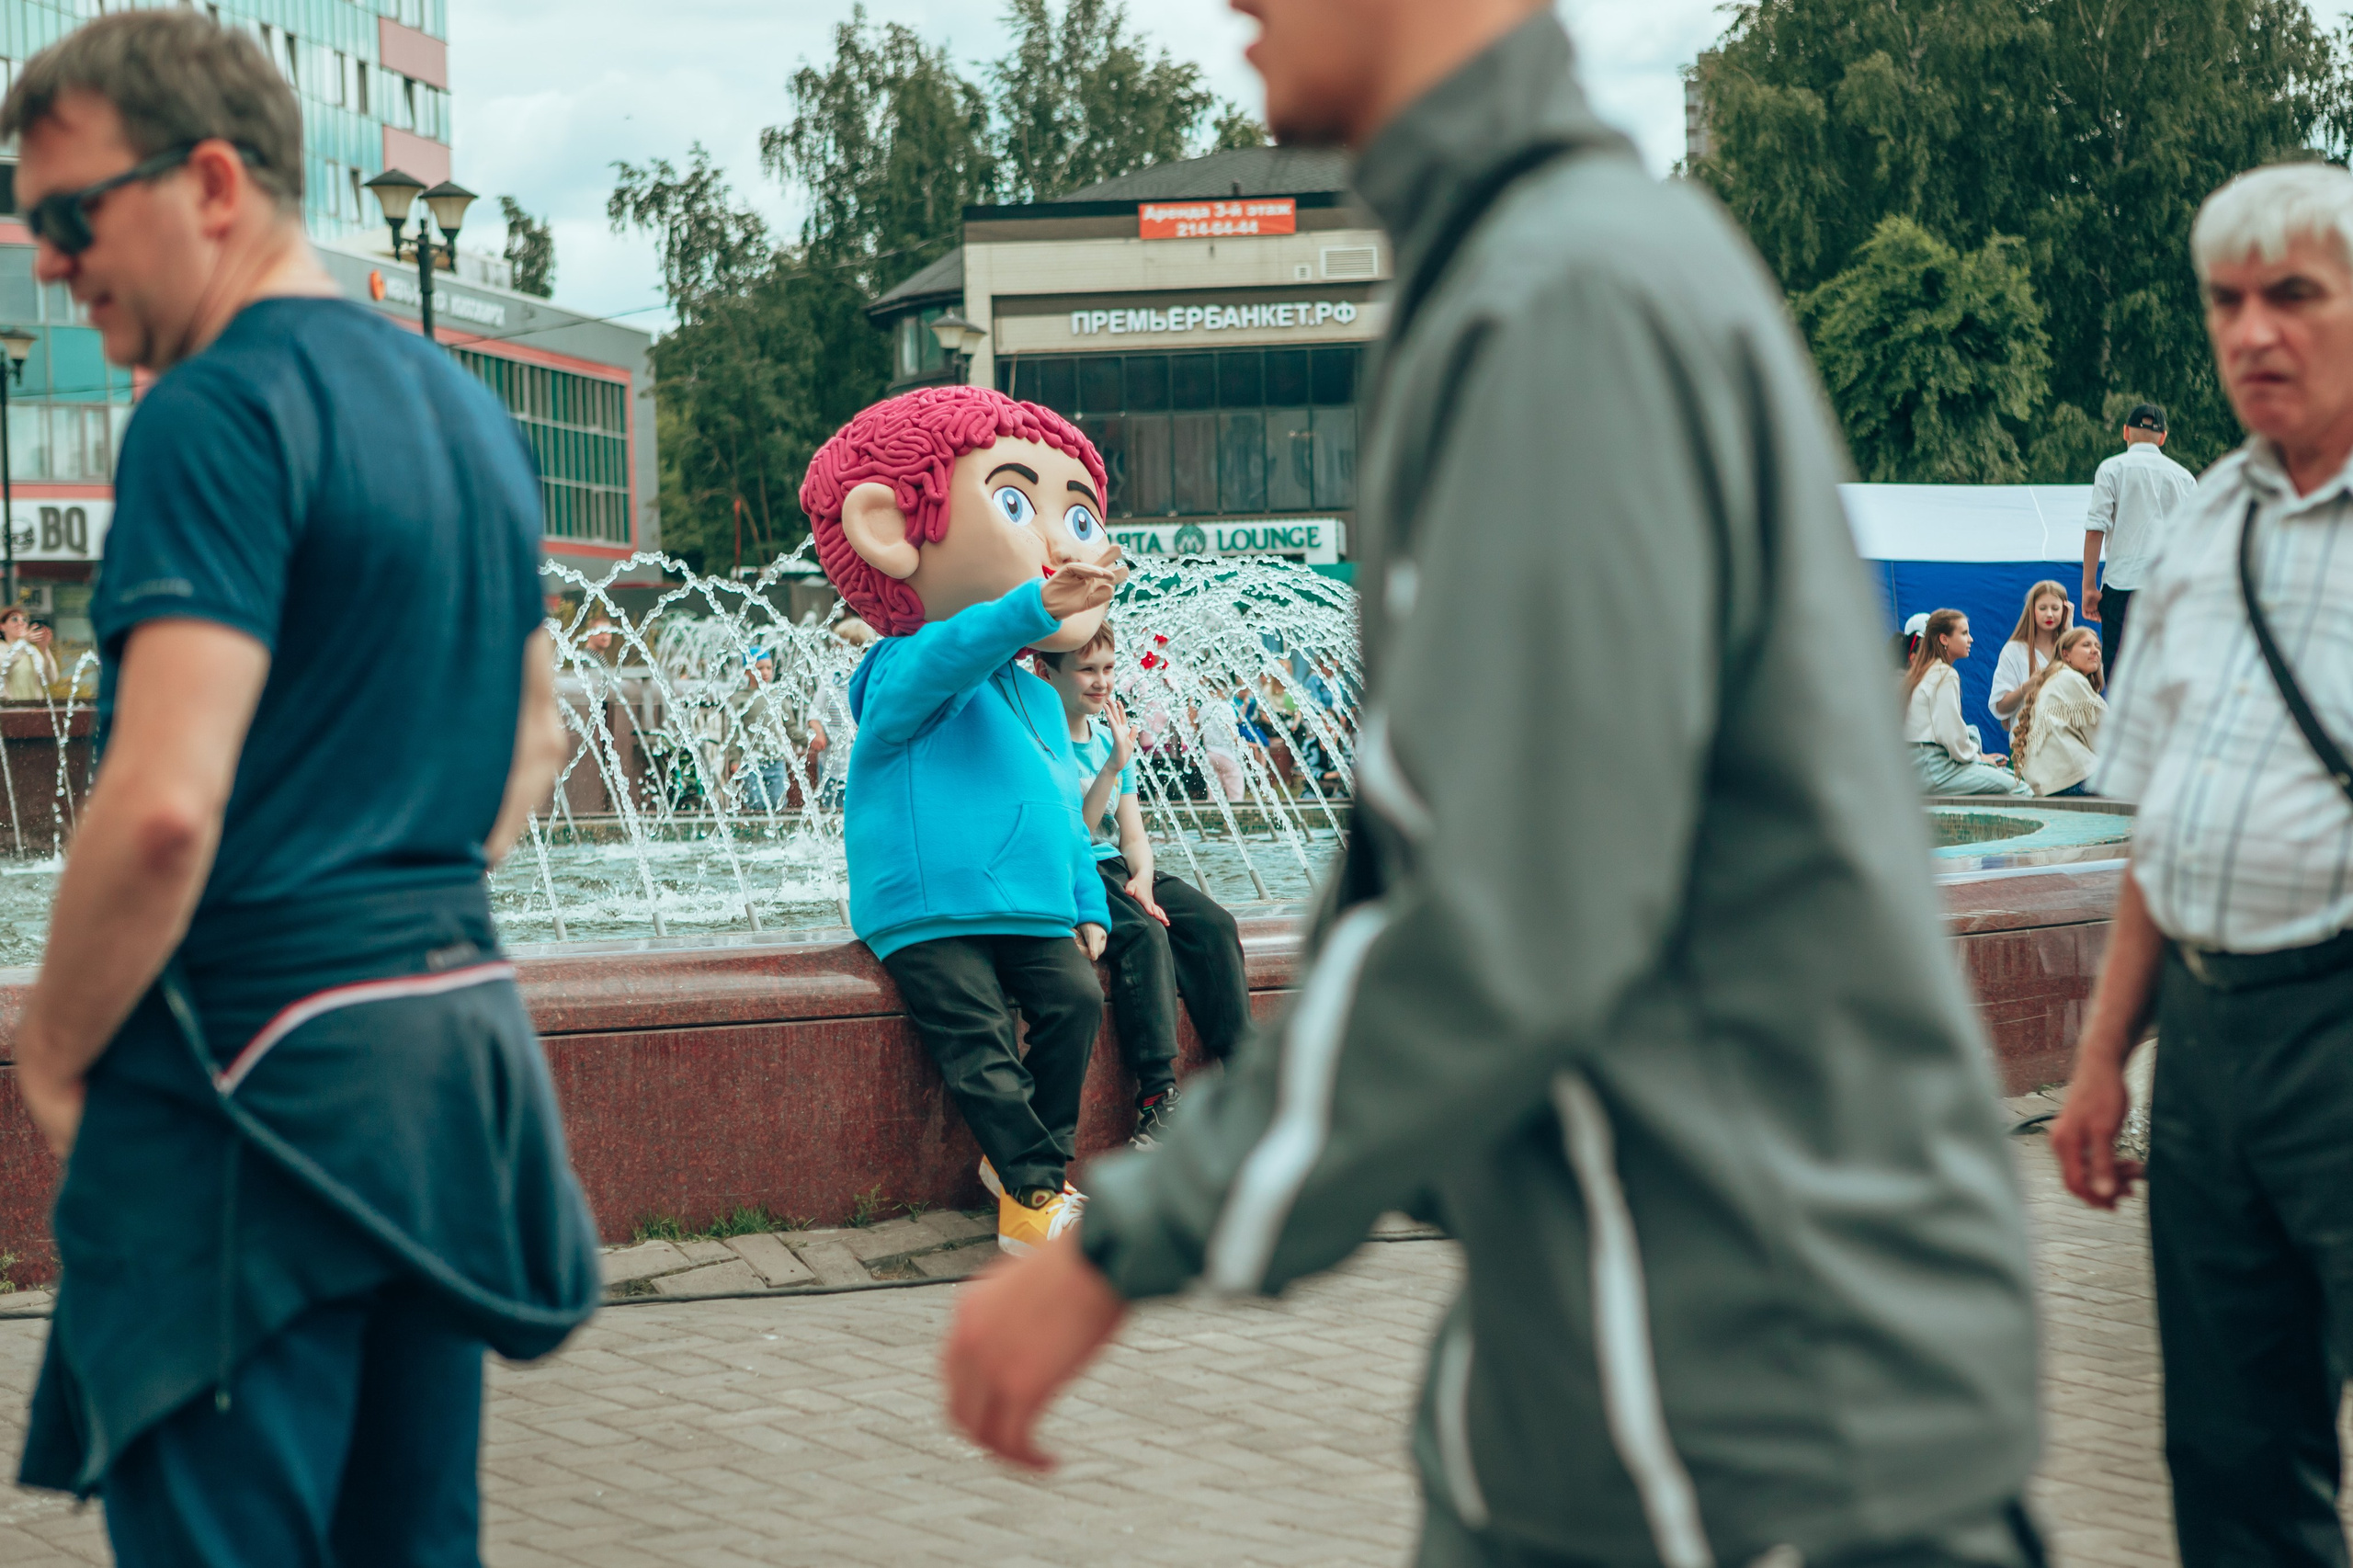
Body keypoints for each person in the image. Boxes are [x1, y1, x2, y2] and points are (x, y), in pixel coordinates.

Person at [941, 3, 2041, 1565]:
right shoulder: (1543, 272)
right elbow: (1429, 860)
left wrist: (1124, 1246)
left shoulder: (1559, 303)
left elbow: (1508, 921)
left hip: (1746, 1410)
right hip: (1641, 1377)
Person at [3, 14, 600, 1560]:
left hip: (237, 1099)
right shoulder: (464, 414)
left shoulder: (211, 413)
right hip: (440, 1076)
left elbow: (159, 805)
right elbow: (534, 734)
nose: (46, 261)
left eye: (68, 217)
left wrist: (57, 1054)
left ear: (210, 182)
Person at [2049, 162, 2353, 1568]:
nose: (2254, 331)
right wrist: (2107, 1057)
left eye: (2294, 295)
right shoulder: (2200, 531)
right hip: (2214, 1048)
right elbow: (2159, 827)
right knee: (2230, 1448)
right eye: (2229, 302)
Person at [801, 385, 1124, 1255]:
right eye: (1016, 502)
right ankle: (1031, 1199)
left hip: (1029, 901)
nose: (1060, 540)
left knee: (1073, 1003)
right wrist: (1031, 607)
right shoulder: (898, 667)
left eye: (1077, 516)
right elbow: (947, 656)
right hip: (930, 904)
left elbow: (1061, 804)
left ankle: (1031, 1173)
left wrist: (1087, 901)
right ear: (888, 529)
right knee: (979, 1038)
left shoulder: (1031, 690)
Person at [1034, 621, 1252, 1147]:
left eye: (1108, 668)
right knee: (1146, 936)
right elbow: (1076, 834)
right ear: (1046, 672)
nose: (1102, 681)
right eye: (1086, 669)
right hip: (1069, 869)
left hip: (1114, 866)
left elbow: (1131, 836)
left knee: (1214, 925)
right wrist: (1111, 768)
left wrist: (1146, 879)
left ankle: (1247, 1074)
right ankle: (1158, 1099)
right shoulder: (1040, 739)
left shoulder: (1112, 737)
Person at [2083, 401, 2198, 672]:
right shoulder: (2184, 478)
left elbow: (2096, 527)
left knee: (2119, 668)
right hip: (2166, 586)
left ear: (2125, 432)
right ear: (2164, 437)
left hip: (2121, 583)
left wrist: (2090, 586)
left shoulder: (2111, 469)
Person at [1903, 608, 2034, 796]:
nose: (1971, 639)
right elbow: (1951, 736)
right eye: (1964, 633)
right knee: (2020, 788)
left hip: (1917, 767)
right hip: (1934, 768)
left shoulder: (1921, 673)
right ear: (1944, 639)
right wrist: (1979, 757)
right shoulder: (1944, 675)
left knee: (1995, 764)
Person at [2008, 627, 2105, 798]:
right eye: (2086, 645)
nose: (2095, 651)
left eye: (2097, 646)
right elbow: (2104, 736)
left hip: (2048, 786)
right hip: (2075, 781)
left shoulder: (2055, 678)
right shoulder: (2071, 679)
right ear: (2066, 654)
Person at [1988, 579, 2074, 731]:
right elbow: (2000, 707)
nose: (2049, 614)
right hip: (2028, 743)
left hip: (2068, 740)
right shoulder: (2014, 650)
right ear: (2032, 610)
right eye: (2042, 608)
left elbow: (2093, 686)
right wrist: (2027, 687)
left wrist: (2070, 632)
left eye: (2055, 608)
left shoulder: (2072, 649)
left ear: (2065, 610)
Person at [0, 606, 58, 700]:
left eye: (24, 619)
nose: (20, 622)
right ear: (2, 626)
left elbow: (52, 679)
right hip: (8, 709)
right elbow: (4, 667)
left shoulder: (32, 651)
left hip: (33, 708)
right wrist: (24, 642)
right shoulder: (2, 648)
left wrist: (44, 650)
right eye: (14, 619)